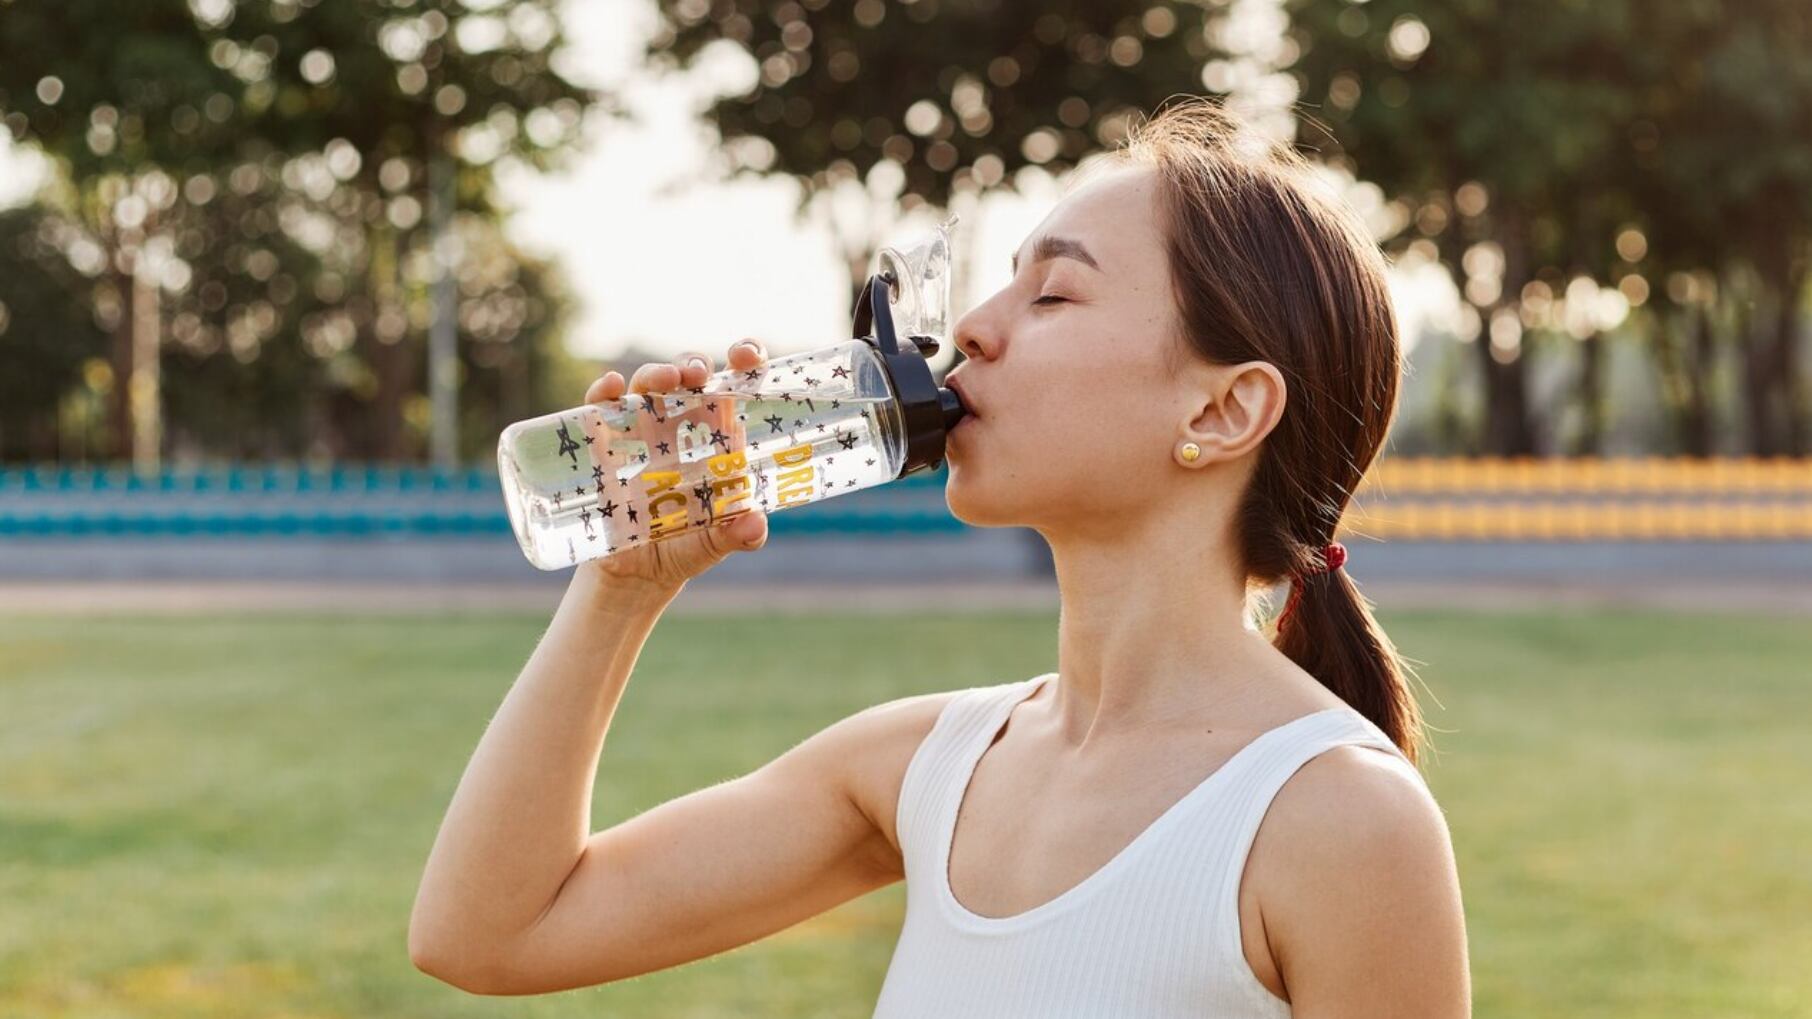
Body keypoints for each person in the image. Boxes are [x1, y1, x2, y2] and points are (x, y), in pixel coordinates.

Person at [409, 95, 1470, 1017]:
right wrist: (620, 591)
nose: (972, 327)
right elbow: (491, 932)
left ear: (1225, 406)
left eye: (1052, 294)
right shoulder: (928, 765)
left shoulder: (1340, 820)